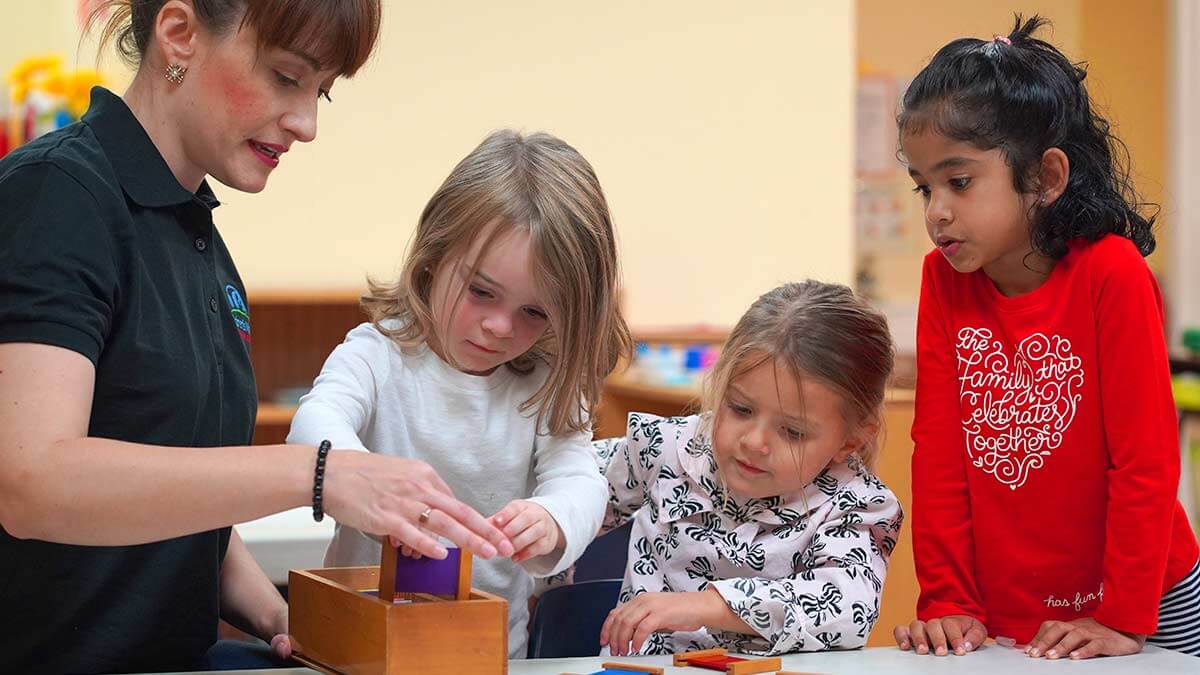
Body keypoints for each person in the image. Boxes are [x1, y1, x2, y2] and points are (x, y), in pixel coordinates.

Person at [0, 2, 511, 672]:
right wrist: (319, 472)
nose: (307, 123)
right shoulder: (57, 194)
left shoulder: (200, 244)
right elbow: (31, 480)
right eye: (286, 77)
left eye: (320, 90)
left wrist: (282, 617)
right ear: (178, 33)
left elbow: (184, 523)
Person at [894, 15, 1200, 660]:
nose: (936, 211)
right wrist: (948, 600)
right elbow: (940, 454)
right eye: (925, 187)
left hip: (1144, 599)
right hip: (1012, 606)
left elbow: (1145, 463)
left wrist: (1121, 616)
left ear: (1046, 177)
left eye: (960, 180)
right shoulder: (942, 280)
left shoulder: (1110, 271)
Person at [287, 129, 632, 657]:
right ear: (434, 256)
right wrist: (365, 480)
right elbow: (314, 422)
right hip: (359, 653)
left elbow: (580, 481)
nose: (499, 326)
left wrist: (553, 520)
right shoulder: (380, 354)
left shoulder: (547, 384)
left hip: (489, 656)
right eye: (481, 292)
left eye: (534, 312)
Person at [592, 281, 902, 656]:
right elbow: (572, 488)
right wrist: (545, 516)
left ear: (849, 440)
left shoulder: (853, 503)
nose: (754, 442)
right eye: (740, 409)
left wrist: (710, 606)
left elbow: (849, 607)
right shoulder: (668, 449)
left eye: (792, 431)